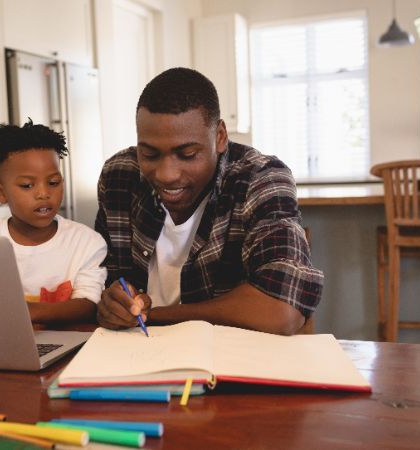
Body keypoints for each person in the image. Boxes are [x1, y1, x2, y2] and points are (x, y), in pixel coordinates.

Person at [95, 67, 323, 336]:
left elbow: (281, 310)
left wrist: (154, 315)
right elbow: (102, 284)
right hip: (137, 355)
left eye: (188, 154)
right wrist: (111, 304)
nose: (167, 174)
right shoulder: (119, 176)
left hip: (233, 359)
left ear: (220, 137)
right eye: (150, 154)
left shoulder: (260, 177)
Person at [0, 119, 107, 326]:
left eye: (53, 183)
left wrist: (26, 311)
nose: (43, 194)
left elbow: (87, 305)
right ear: (1, 192)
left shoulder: (86, 242)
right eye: (27, 185)